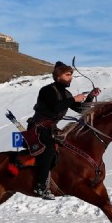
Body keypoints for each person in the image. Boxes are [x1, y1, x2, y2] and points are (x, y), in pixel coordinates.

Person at [26, 61, 101, 199]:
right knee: (49, 150)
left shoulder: (66, 93)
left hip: (52, 130)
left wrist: (90, 96)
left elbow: (81, 109)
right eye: (67, 74)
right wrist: (73, 98)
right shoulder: (47, 90)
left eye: (71, 75)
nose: (70, 77)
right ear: (58, 76)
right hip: (38, 129)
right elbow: (55, 107)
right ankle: (40, 186)